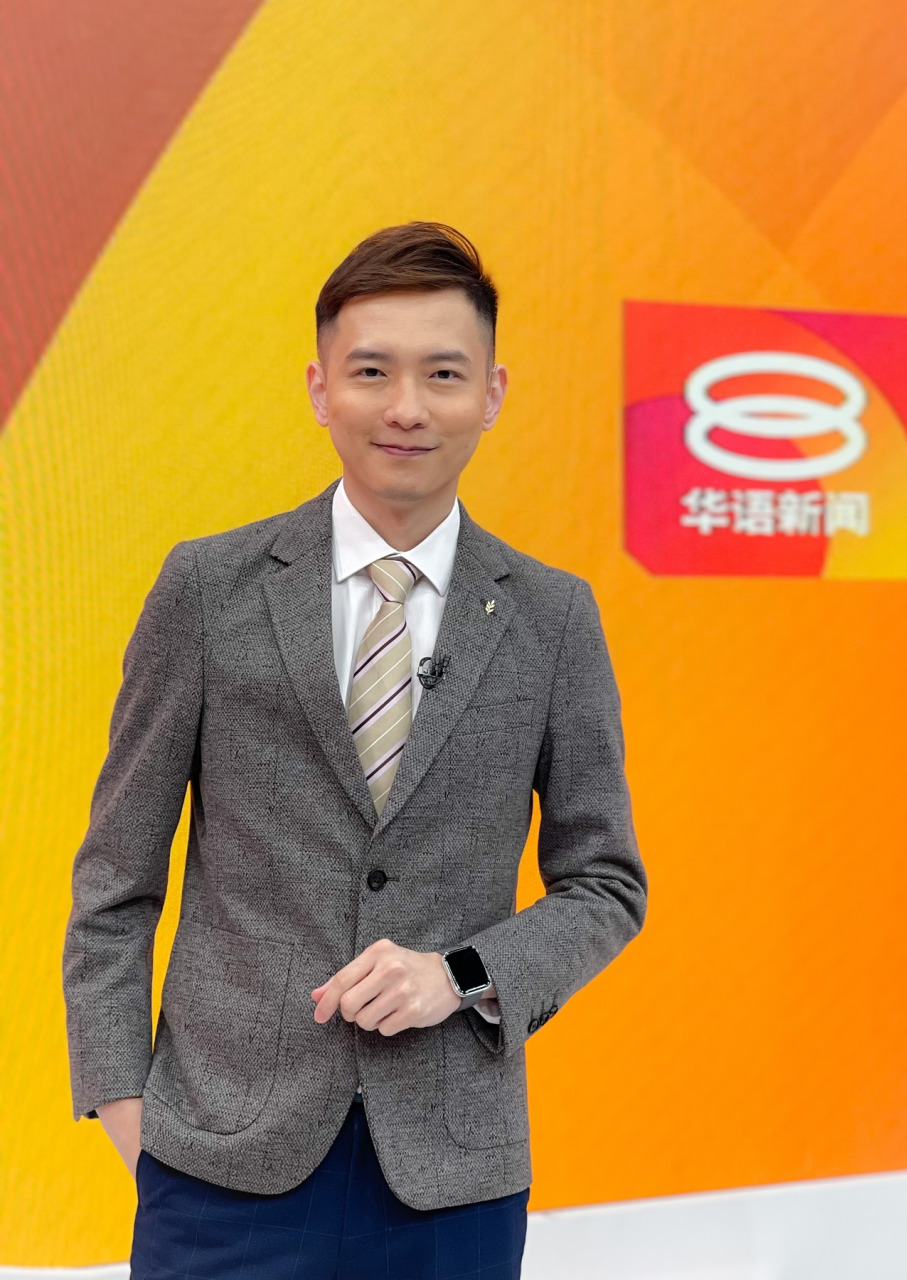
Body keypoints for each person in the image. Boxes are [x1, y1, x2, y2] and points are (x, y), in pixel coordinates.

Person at [62, 221, 647, 1279]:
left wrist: (461, 975)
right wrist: (121, 1103)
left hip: (452, 1179)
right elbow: (116, 873)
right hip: (217, 1164)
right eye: (372, 371)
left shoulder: (554, 617)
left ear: (493, 394)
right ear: (320, 387)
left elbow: (605, 883)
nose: (407, 406)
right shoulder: (207, 589)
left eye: (443, 374)